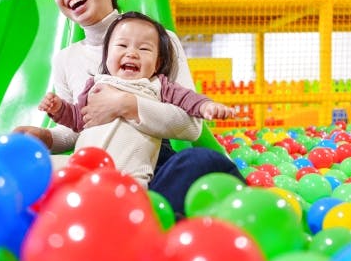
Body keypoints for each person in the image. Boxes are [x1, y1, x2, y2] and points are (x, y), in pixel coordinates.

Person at [14, 0, 243, 215]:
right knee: (22, 169)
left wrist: (126, 104)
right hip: (91, 165)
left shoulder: (158, 40)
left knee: (201, 161)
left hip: (146, 163)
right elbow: (78, 127)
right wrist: (46, 137)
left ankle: (141, 218)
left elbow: (190, 126)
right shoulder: (66, 59)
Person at [38, 11, 236, 187]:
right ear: (106, 56)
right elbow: (78, 119)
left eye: (144, 49)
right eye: (122, 45)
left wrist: (205, 106)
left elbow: (187, 99)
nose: (131, 53)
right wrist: (59, 109)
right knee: (41, 167)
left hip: (128, 178)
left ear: (157, 63)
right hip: (81, 168)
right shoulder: (95, 85)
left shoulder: (158, 86)